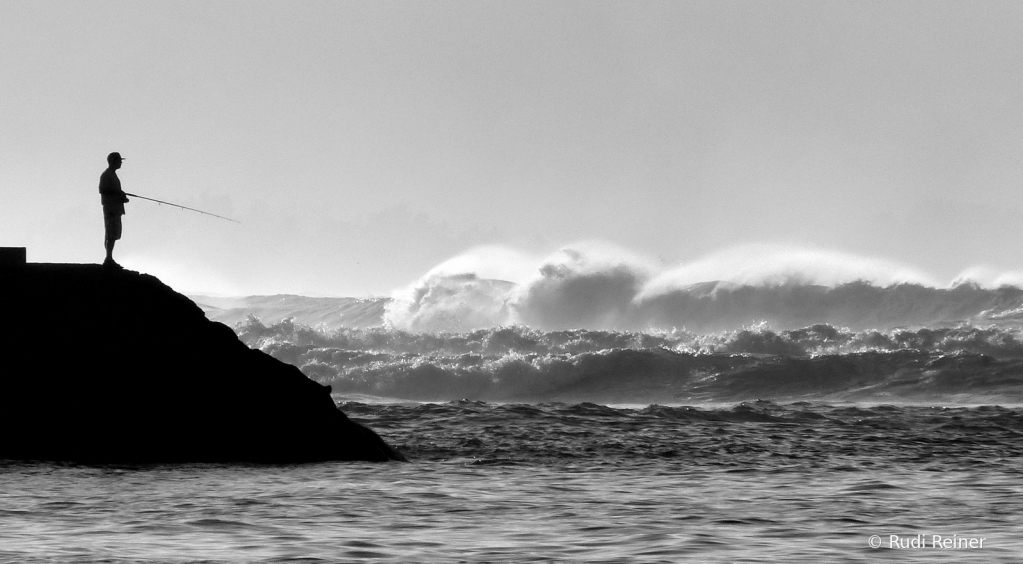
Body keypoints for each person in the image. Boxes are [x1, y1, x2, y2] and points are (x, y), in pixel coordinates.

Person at [98, 152, 129, 268]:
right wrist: (118, 194)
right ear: (112, 161)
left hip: (115, 209)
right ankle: (108, 258)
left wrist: (121, 196)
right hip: (111, 209)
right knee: (110, 234)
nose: (120, 163)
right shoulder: (106, 175)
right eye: (119, 160)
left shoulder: (112, 175)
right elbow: (103, 190)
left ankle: (109, 258)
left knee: (113, 234)